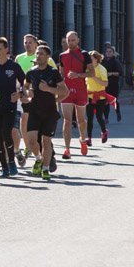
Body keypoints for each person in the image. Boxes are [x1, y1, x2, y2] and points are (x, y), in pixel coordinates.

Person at [21, 44, 68, 179]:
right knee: (31, 142)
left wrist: (50, 90)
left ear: (48, 57)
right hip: (34, 110)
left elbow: (65, 91)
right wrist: (27, 94)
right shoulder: (31, 72)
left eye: (41, 54)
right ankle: (38, 158)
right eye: (37, 53)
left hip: (49, 112)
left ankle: (46, 169)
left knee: (46, 142)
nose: (38, 56)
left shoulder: (54, 72)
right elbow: (25, 87)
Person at [0, 37, 25, 177]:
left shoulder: (13, 66)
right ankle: (4, 168)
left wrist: (20, 93)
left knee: (7, 133)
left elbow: (25, 82)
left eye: (0, 49)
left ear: (7, 49)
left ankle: (12, 164)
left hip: (10, 106)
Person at [16, 33, 54, 164]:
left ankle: (48, 155)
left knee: (42, 130)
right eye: (25, 42)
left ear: (36, 44)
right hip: (27, 95)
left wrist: (51, 91)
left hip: (44, 98)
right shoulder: (19, 58)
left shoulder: (45, 58)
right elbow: (18, 78)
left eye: (30, 42)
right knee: (24, 120)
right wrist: (22, 92)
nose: (27, 44)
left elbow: (55, 77)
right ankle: (29, 147)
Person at [58, 31, 90, 159]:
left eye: (73, 40)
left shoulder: (84, 54)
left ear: (78, 40)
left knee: (81, 119)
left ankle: (82, 139)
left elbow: (91, 73)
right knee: (66, 120)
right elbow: (61, 74)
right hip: (66, 91)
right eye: (68, 40)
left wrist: (78, 75)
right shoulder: (62, 56)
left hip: (81, 90)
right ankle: (67, 149)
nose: (70, 42)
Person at [84, 50, 112, 145]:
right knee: (89, 117)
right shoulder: (87, 69)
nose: (89, 61)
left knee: (99, 116)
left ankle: (104, 132)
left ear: (96, 59)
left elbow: (106, 83)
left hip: (100, 96)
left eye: (91, 59)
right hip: (89, 95)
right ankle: (89, 138)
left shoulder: (101, 69)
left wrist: (94, 77)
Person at [102, 44, 124, 122]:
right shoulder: (103, 61)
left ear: (113, 53)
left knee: (114, 100)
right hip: (105, 84)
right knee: (105, 101)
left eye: (110, 51)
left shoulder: (115, 61)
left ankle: (118, 112)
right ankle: (106, 118)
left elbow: (121, 73)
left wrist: (111, 74)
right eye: (107, 51)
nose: (108, 53)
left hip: (114, 84)